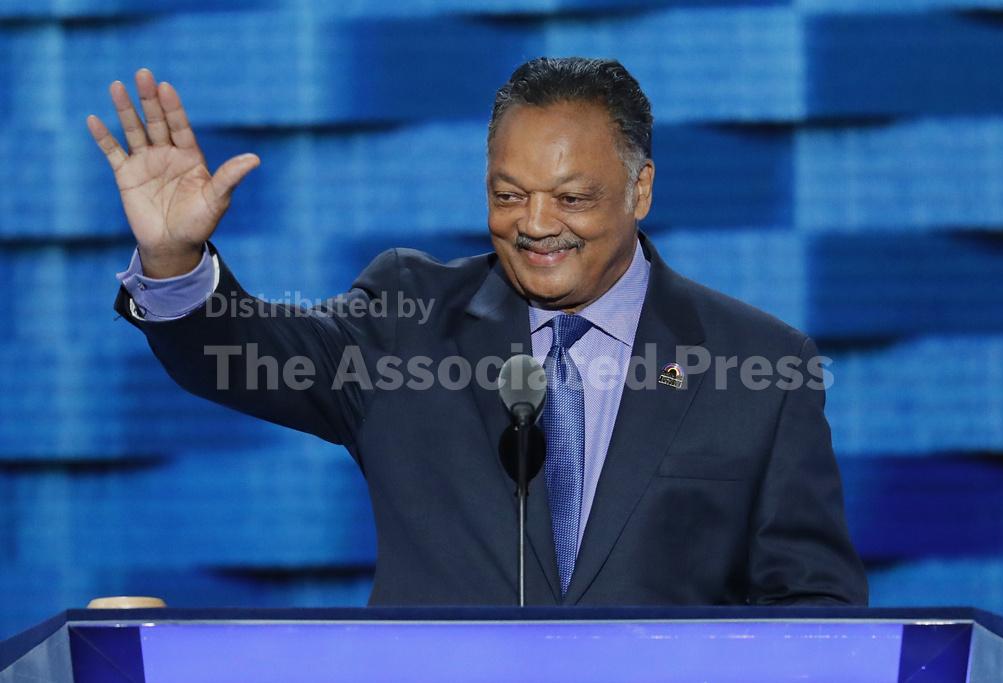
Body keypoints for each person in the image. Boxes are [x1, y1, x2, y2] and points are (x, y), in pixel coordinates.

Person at [87, 57, 868, 606]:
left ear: (640, 190)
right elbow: (242, 354)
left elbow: (815, 605)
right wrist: (173, 257)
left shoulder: (761, 364)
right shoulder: (407, 320)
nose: (536, 224)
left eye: (571, 198)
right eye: (508, 194)